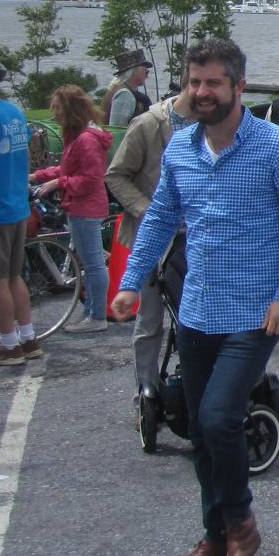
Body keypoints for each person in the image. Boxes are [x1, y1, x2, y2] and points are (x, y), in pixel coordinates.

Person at [111, 38, 279, 556]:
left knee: (219, 418)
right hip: (196, 310)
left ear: (238, 87)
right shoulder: (181, 148)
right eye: (194, 82)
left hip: (255, 313)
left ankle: (240, 518)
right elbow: (160, 217)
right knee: (199, 430)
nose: (201, 92)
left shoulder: (277, 147)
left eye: (213, 83)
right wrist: (132, 282)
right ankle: (215, 535)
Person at [106, 76, 197, 396]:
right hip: (154, 237)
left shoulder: (214, 123)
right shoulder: (148, 124)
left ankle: (193, 387)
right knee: (149, 320)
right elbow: (116, 175)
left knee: (198, 318)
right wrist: (147, 210)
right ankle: (146, 391)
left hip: (196, 237)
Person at [0, 54, 42, 367]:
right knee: (14, 277)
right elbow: (24, 155)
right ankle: (28, 338)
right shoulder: (14, 113)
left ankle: (8, 345)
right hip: (16, 207)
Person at [29, 85, 113, 333]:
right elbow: (68, 168)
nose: (54, 113)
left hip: (85, 207)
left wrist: (59, 183)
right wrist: (37, 176)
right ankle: (92, 313)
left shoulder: (86, 139)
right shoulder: (80, 136)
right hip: (81, 206)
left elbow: (91, 179)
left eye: (57, 108)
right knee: (90, 262)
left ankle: (97, 317)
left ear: (70, 109)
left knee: (93, 264)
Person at [104, 48, 154, 127]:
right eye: (145, 71)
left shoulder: (116, 88)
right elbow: (118, 129)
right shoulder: (124, 94)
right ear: (133, 71)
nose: (147, 75)